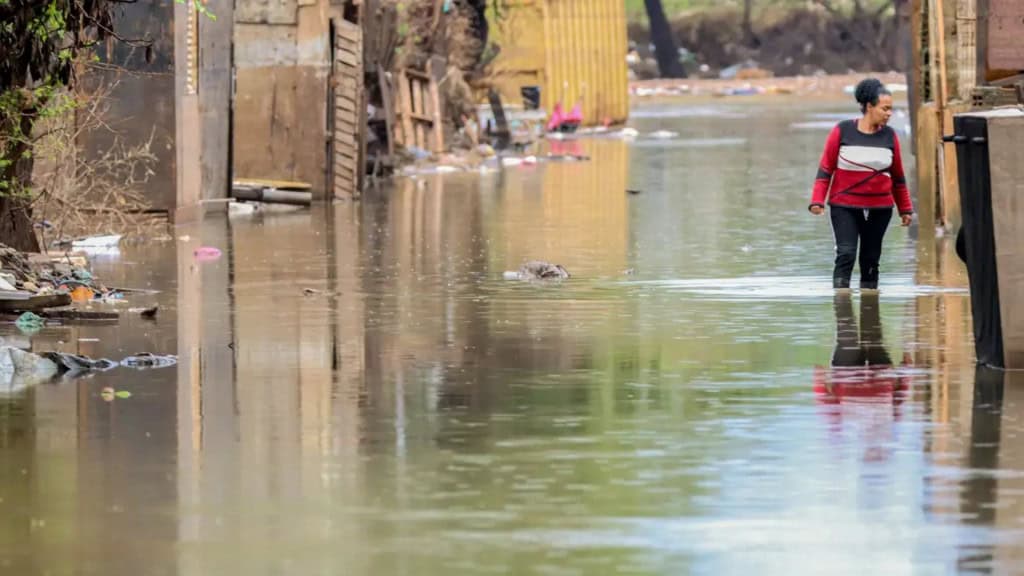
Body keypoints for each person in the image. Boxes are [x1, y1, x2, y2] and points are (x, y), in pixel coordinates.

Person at [809, 78, 914, 290]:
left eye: (891, 109)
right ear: (869, 107)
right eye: (885, 108)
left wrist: (905, 209)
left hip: (880, 208)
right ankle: (843, 311)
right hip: (844, 205)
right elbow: (826, 169)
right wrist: (817, 200)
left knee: (870, 260)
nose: (889, 113)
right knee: (846, 253)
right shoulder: (842, 131)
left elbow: (898, 177)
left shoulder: (890, 136)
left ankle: (870, 313)